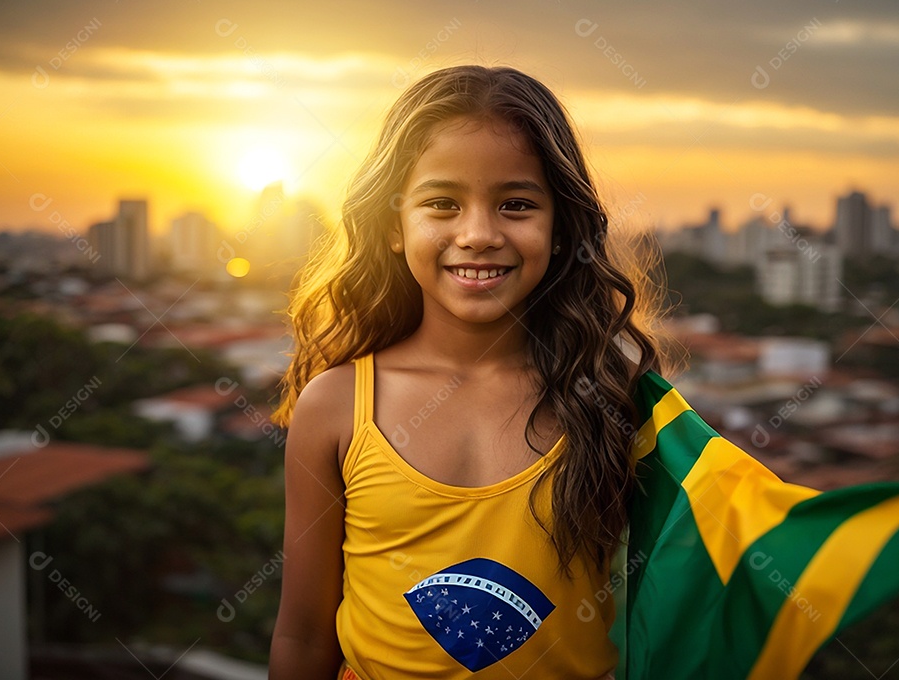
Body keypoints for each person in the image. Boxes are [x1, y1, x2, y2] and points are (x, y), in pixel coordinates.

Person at [268, 65, 673, 680]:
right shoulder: (337, 406)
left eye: (516, 205)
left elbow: (718, 561)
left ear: (561, 229)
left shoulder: (616, 400)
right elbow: (301, 635)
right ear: (393, 226)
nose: (478, 234)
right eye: (442, 204)